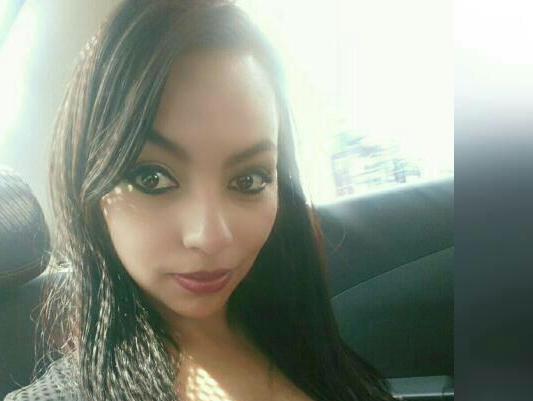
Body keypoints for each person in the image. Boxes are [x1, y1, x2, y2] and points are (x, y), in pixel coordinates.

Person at [5, 1, 393, 400]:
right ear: (89, 185)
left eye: (249, 180)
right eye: (152, 178)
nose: (210, 237)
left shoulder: (298, 333)